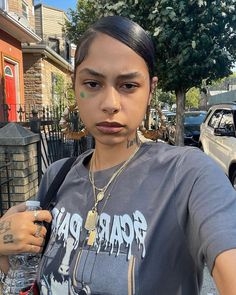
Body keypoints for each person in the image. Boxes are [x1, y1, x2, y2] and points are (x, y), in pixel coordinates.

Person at [1, 15, 236, 295]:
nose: (110, 104)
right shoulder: (56, 176)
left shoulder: (188, 175)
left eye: (128, 86)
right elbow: (33, 277)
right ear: (75, 85)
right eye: (93, 84)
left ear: (151, 90)